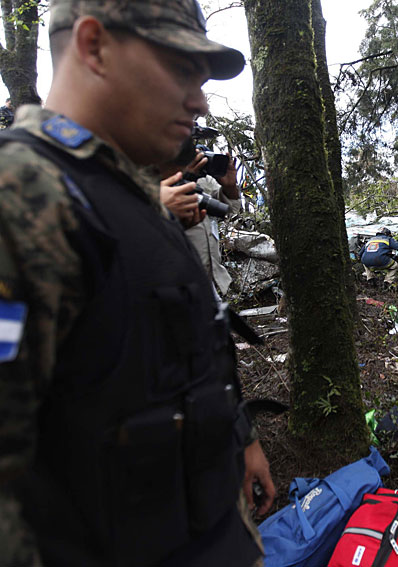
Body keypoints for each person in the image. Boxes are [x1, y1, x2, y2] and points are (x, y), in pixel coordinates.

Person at [0, 1, 273, 566]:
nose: (198, 101)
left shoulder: (129, 196)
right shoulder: (23, 197)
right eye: (180, 70)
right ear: (94, 45)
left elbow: (181, 354)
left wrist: (238, 439)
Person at [161, 144, 242, 295]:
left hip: (206, 278)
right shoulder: (146, 170)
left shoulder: (204, 177)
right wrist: (183, 176)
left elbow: (229, 209)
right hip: (171, 281)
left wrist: (230, 187)